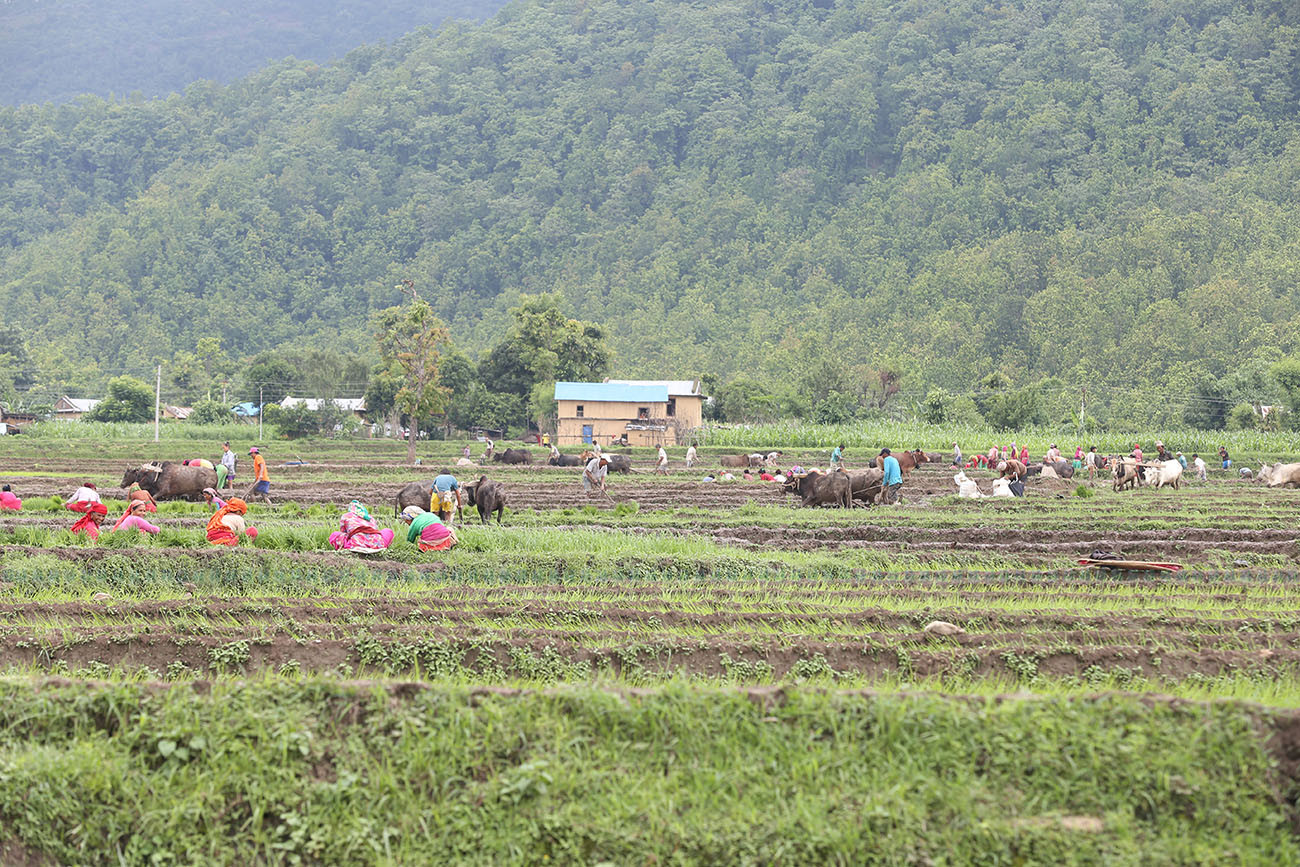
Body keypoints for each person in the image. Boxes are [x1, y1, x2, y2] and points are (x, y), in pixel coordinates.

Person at [330, 501, 395, 551]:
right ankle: (381, 547)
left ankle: (346, 547)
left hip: (357, 543)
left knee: (335, 535)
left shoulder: (346, 516)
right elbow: (375, 530)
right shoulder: (369, 517)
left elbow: (344, 531)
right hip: (377, 543)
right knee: (387, 531)